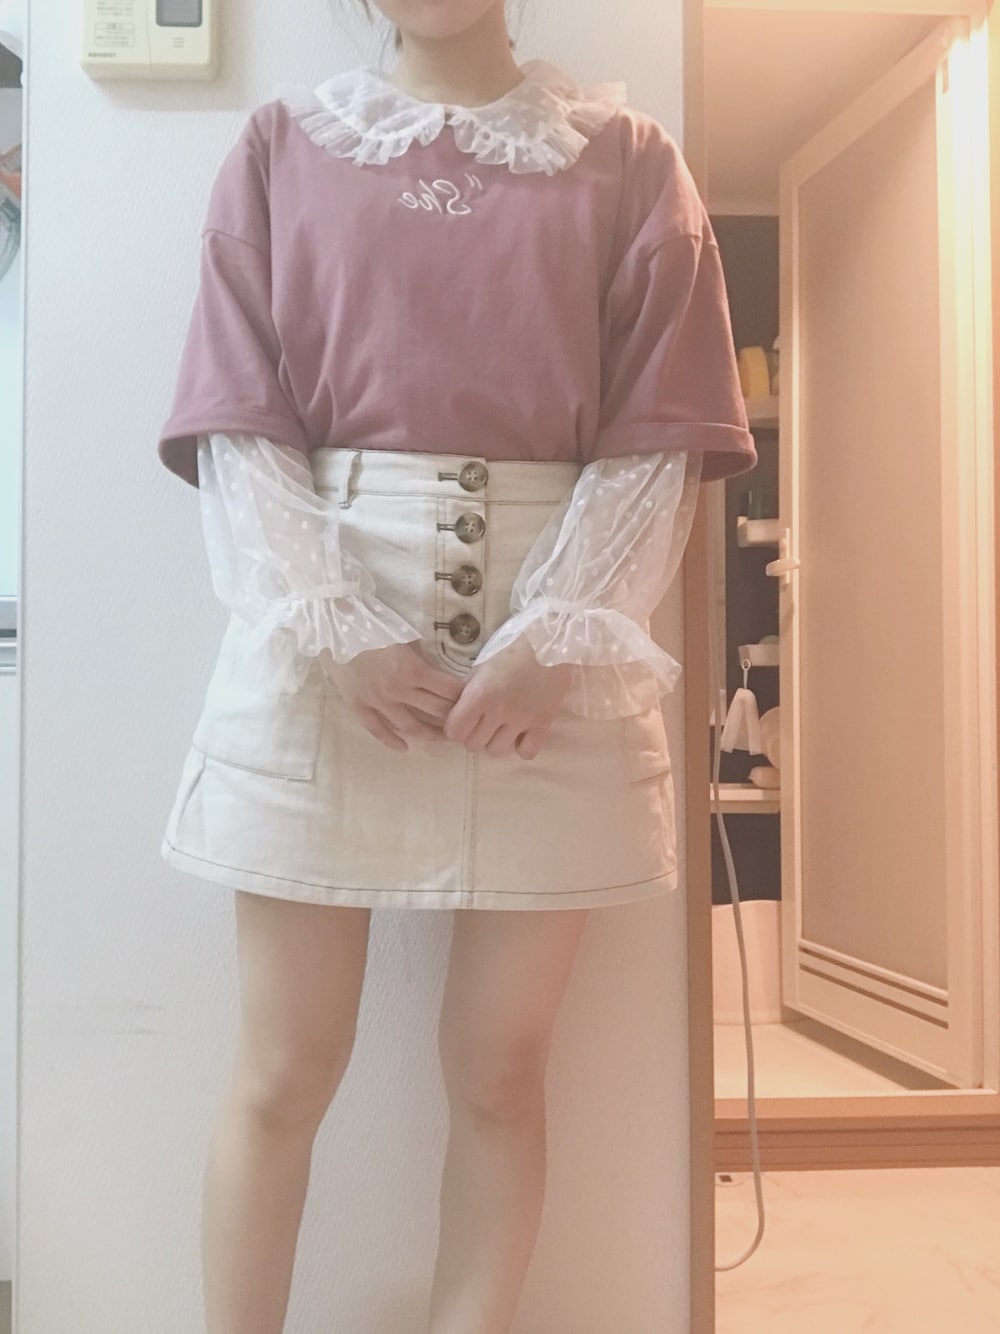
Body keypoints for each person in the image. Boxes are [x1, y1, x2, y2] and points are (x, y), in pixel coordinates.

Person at [156, 1, 757, 1329]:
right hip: (321, 628)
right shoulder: (279, 148)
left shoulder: (630, 161)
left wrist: (559, 634)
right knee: (283, 1070)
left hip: (560, 647)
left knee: (500, 1071)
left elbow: (660, 434)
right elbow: (240, 420)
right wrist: (335, 625)